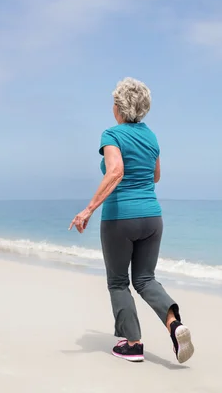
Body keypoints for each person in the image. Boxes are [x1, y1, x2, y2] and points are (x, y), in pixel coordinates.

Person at [69, 77, 194, 364]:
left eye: (114, 101)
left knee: (118, 282)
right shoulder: (152, 137)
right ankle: (175, 325)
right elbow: (156, 176)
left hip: (120, 219)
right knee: (145, 279)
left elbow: (115, 171)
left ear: (120, 108)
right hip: (152, 217)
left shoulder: (111, 134)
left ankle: (133, 344)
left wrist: (88, 209)